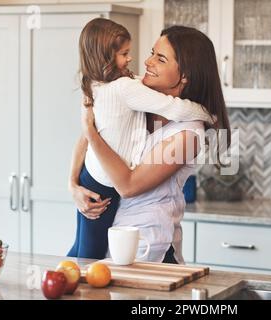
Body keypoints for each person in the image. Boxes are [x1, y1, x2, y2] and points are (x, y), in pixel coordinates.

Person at [70, 26, 231, 264]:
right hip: (111, 240)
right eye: (152, 53)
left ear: (185, 75)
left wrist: (91, 134)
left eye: (160, 58)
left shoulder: (188, 135)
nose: (147, 61)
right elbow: (89, 135)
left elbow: (128, 185)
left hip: (149, 249)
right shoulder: (134, 90)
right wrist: (73, 185)